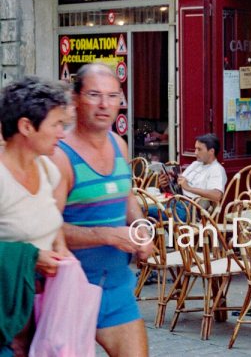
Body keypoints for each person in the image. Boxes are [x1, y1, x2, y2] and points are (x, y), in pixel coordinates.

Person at [51, 63, 152, 357]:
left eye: (113, 96)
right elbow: (47, 231)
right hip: (68, 288)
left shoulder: (119, 145)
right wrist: (107, 235)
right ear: (75, 98)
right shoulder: (59, 155)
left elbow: (127, 196)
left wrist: (140, 228)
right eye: (94, 95)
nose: (105, 105)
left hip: (116, 285)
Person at [0, 76, 71, 354]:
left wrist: (60, 247)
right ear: (26, 126)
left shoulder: (46, 169)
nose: (62, 134)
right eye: (56, 124)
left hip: (35, 317)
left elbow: (50, 218)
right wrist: (31, 257)